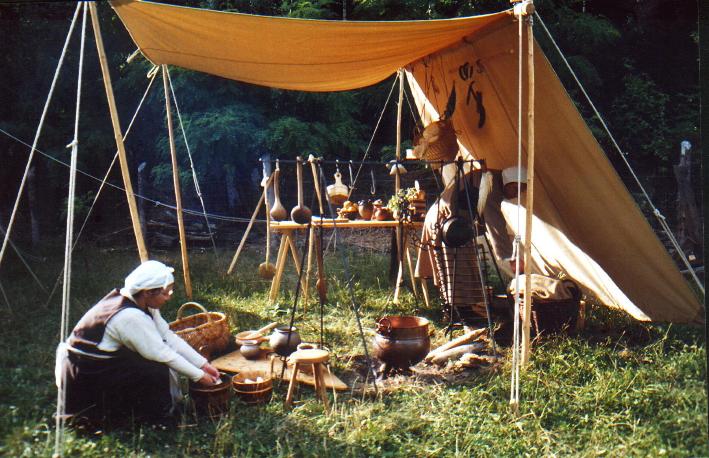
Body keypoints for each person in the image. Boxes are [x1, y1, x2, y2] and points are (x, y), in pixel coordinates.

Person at [55, 260, 220, 427]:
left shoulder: (142, 303)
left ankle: (153, 409)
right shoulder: (129, 316)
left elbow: (168, 337)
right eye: (165, 293)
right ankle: (158, 420)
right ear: (148, 293)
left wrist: (202, 364)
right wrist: (198, 376)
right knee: (156, 369)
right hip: (85, 373)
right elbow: (163, 353)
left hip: (101, 361)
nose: (169, 297)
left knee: (152, 363)